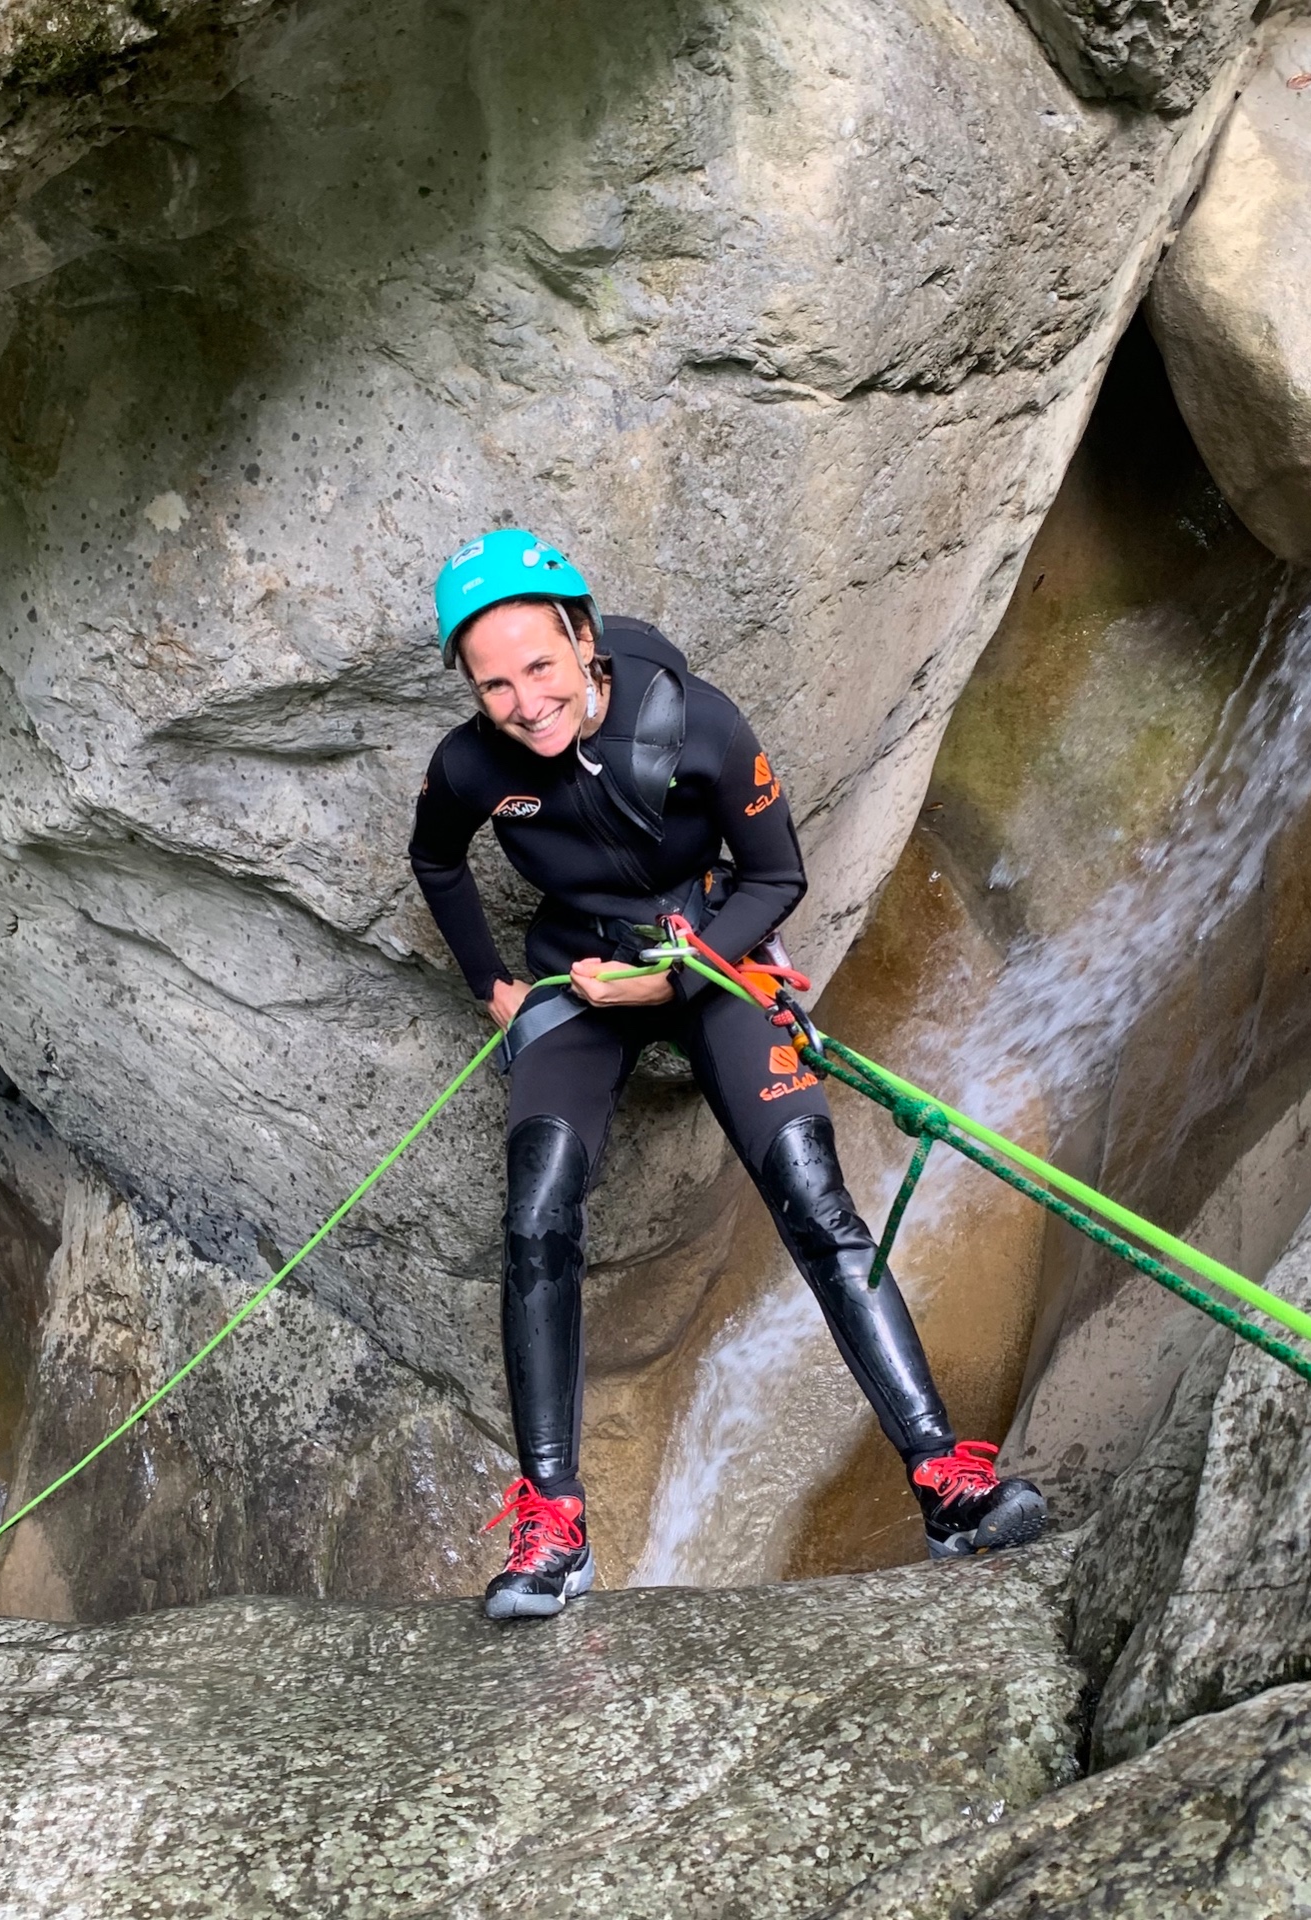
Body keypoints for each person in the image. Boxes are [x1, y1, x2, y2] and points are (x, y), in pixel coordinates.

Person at [409, 529, 1046, 1620]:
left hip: (705, 956)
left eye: (540, 667)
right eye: (493, 685)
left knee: (811, 1192)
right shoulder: (471, 766)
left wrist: (678, 974)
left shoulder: (692, 721)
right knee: (535, 1209)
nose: (523, 703)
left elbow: (773, 874)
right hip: (578, 971)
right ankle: (552, 1525)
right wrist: (492, 987)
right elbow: (434, 857)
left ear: (584, 639)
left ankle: (944, 1479)